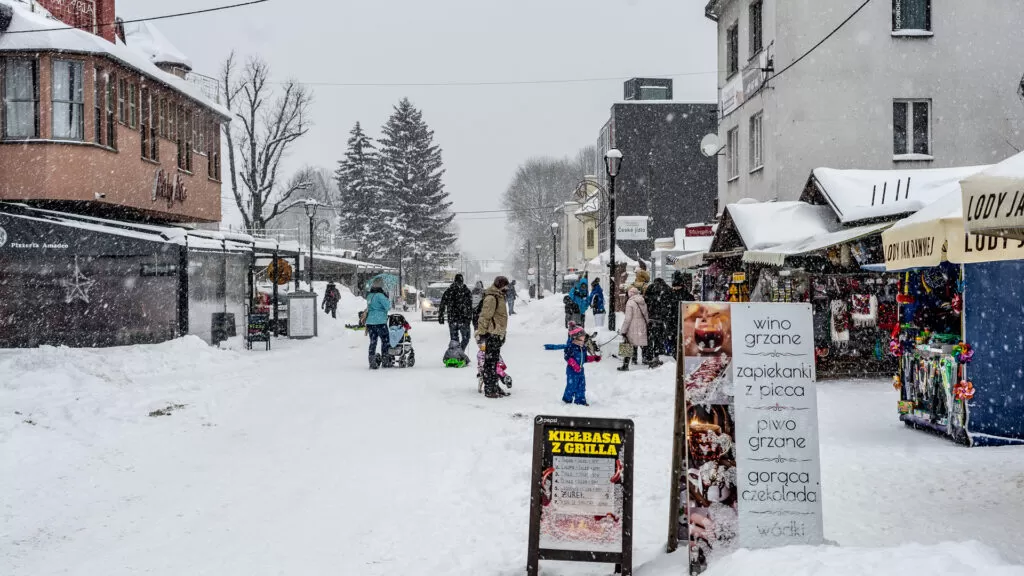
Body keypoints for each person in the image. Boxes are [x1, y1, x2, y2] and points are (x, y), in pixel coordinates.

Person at [476, 276, 510, 398]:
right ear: (500, 285)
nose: (507, 288)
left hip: (497, 333)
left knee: (494, 362)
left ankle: (494, 386)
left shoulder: (499, 296)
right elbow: (485, 316)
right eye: (505, 286)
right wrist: (481, 332)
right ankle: (490, 389)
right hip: (492, 333)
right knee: (490, 363)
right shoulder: (492, 298)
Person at [562, 324, 601, 406]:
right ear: (576, 336)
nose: (584, 336)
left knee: (581, 386)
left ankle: (580, 401)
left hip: (580, 371)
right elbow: (567, 357)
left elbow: (585, 358)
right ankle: (567, 400)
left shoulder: (582, 347)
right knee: (571, 386)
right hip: (572, 371)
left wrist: (594, 358)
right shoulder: (571, 346)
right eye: (582, 335)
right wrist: (574, 365)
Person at [439, 274, 474, 351]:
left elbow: (470, 306)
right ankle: (458, 353)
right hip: (457, 319)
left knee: (461, 339)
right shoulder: (451, 291)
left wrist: (470, 317)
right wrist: (441, 315)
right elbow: (443, 303)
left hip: (459, 319)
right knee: (459, 339)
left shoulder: (465, 291)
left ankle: (458, 352)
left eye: (460, 282)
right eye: (458, 282)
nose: (459, 284)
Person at [618, 286, 649, 371]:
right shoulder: (643, 301)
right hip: (642, 324)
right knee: (641, 342)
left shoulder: (630, 302)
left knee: (628, 343)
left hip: (632, 325)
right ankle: (646, 359)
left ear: (630, 294)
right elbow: (646, 315)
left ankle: (625, 365)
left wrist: (623, 330)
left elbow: (628, 319)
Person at [666, 271, 696, 357]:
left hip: (677, 325)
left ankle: (679, 361)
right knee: (682, 347)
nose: (675, 288)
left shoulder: (671, 296)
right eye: (674, 286)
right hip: (683, 325)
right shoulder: (688, 296)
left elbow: (668, 312)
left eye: (676, 286)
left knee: (676, 347)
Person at [643, 277, 671, 367]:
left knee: (650, 339)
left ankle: (648, 357)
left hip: (650, 318)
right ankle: (656, 356)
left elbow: (646, 301)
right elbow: (667, 304)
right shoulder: (666, 289)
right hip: (660, 319)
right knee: (658, 339)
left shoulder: (650, 288)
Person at [365, 280, 392, 369]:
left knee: (373, 342)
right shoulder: (380, 296)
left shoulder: (369, 296)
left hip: (370, 322)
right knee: (385, 341)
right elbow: (388, 307)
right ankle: (385, 360)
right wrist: (387, 299)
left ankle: (372, 361)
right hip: (380, 322)